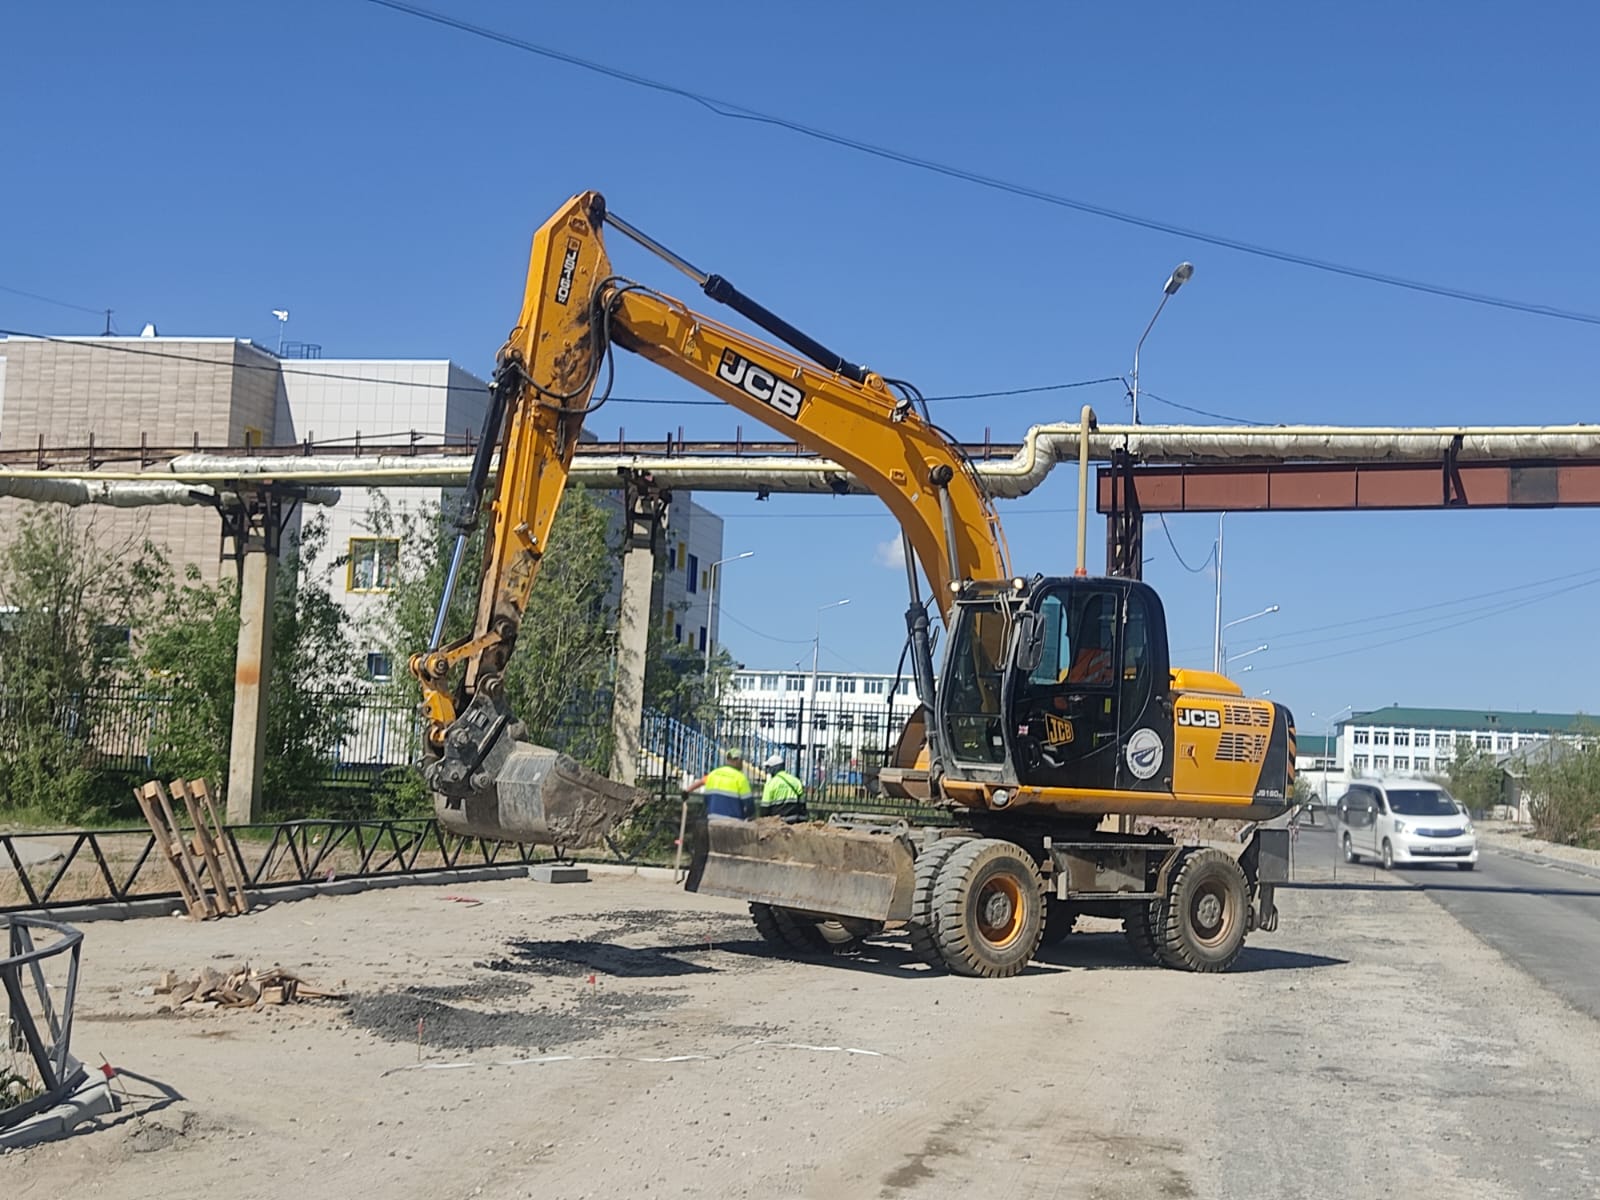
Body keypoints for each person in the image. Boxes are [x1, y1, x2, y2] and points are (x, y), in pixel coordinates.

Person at [685, 748, 753, 821]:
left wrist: (686, 791)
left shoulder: (714, 773)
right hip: (733, 821)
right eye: (742, 761)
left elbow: (701, 782)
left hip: (712, 818)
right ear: (738, 760)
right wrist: (747, 815)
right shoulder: (740, 778)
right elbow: (749, 804)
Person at [759, 752, 808, 821]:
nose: (767, 770)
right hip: (794, 821)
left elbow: (765, 809)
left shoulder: (770, 784)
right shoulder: (796, 781)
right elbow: (802, 805)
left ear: (774, 768)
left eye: (768, 768)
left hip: (777, 823)